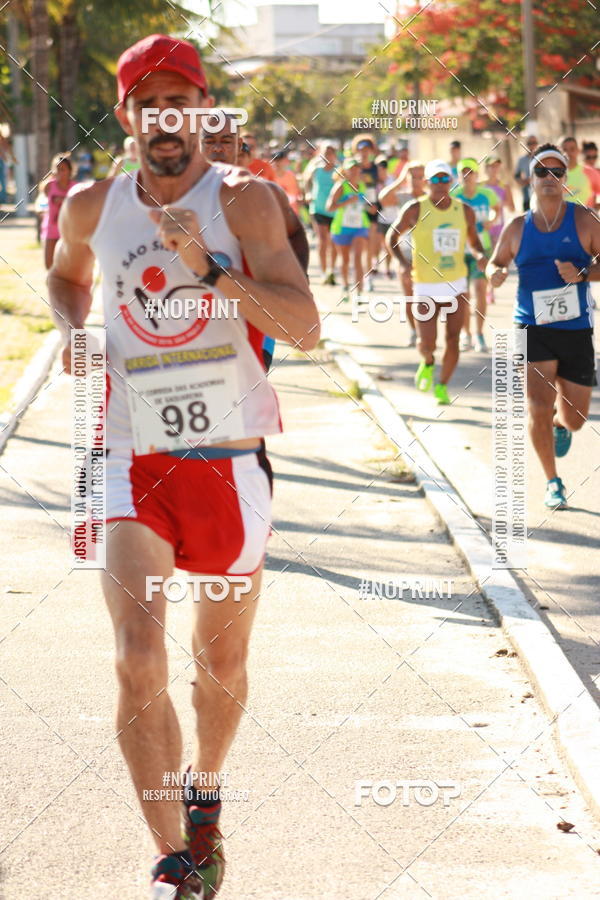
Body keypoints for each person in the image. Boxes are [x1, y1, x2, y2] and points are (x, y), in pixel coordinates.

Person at [48, 34, 320, 899]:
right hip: (133, 454)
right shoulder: (91, 206)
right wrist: (74, 332)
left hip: (230, 459)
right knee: (137, 652)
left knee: (221, 669)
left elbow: (306, 326)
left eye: (181, 100)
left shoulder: (244, 203)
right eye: (147, 102)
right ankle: (173, 856)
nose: (165, 118)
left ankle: (204, 786)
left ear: (201, 110)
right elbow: (65, 276)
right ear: (126, 113)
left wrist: (208, 266)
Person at [488, 143, 598, 509]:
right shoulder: (518, 227)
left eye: (556, 172)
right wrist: (496, 274)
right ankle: (553, 482)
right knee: (537, 404)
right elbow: (494, 262)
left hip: (576, 329)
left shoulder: (584, 220)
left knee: (576, 417)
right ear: (530, 179)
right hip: (531, 326)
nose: (549, 178)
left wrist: (583, 273)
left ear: (566, 179)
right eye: (541, 172)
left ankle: (562, 426)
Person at [200, 115, 310, 368]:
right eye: (210, 141)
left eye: (226, 141)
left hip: (254, 316)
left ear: (239, 146)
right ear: (197, 145)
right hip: (194, 317)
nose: (218, 148)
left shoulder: (265, 194)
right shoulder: (174, 196)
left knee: (249, 389)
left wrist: (299, 280)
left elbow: (295, 233)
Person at [388, 159, 486, 405]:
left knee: (453, 339)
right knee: (426, 342)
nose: (441, 184)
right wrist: (401, 261)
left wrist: (481, 256)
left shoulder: (464, 210)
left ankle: (442, 385)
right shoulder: (415, 208)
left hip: (456, 285)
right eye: (436, 179)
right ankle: (428, 361)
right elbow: (392, 236)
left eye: (445, 179)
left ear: (451, 181)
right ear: (427, 183)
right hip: (425, 286)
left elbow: (474, 242)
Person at [452, 158, 498, 351]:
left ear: (476, 175)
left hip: (481, 247)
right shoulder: (454, 195)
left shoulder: (486, 194)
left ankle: (479, 334)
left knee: (480, 289)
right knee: (463, 294)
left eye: (471, 172)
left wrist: (491, 221)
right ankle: (466, 334)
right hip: (459, 249)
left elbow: (496, 210)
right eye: (464, 173)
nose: (467, 176)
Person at [382, 160, 426, 347]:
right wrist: (400, 179)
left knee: (424, 297)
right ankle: (413, 330)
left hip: (427, 254)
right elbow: (383, 198)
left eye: (419, 176)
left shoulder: (431, 198)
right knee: (408, 294)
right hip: (405, 252)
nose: (416, 180)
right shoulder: (402, 197)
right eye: (412, 176)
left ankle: (425, 331)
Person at [327, 157, 376, 300]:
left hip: (359, 227)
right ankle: (345, 286)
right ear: (345, 171)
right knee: (345, 259)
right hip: (342, 227)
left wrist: (370, 209)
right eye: (351, 168)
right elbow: (329, 208)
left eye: (357, 168)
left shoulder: (363, 186)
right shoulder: (341, 186)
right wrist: (347, 201)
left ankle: (359, 292)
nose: (354, 171)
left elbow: (365, 205)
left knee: (358, 257)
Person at [483, 154, 515, 303]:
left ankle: (490, 290)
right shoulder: (480, 186)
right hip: (483, 227)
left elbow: (512, 206)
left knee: (494, 258)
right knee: (484, 257)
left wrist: (500, 204)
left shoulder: (504, 186)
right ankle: (483, 287)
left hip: (498, 227)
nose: (494, 169)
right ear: (486, 168)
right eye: (491, 166)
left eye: (497, 166)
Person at [305, 143, 338, 284]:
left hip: (334, 210)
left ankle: (331, 270)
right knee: (322, 240)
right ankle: (324, 271)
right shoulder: (315, 169)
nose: (328, 155)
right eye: (326, 152)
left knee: (333, 242)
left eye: (331, 153)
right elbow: (306, 182)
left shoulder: (338, 171)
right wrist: (307, 194)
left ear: (335, 155)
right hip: (317, 208)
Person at [351, 134, 380, 288]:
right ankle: (357, 276)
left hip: (372, 207)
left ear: (372, 151)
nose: (364, 152)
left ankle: (368, 276)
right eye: (361, 149)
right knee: (359, 245)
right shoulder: (353, 166)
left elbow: (380, 186)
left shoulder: (376, 168)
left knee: (371, 243)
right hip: (355, 208)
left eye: (367, 149)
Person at [40, 152, 76, 269]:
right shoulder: (48, 186)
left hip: (69, 231)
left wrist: (64, 199)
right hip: (51, 229)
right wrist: (39, 209)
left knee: (68, 266)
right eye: (56, 169)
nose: (59, 172)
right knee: (49, 265)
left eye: (62, 169)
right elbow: (40, 201)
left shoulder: (76, 187)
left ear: (70, 171)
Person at [560, 135, 594, 207]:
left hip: (585, 217)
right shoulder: (555, 174)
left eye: (572, 149)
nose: (568, 153)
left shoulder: (590, 172)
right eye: (565, 150)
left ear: (578, 150)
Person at [272, 149, 301, 214]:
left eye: (280, 160)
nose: (277, 163)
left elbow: (297, 194)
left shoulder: (291, 176)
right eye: (275, 160)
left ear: (285, 161)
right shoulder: (269, 177)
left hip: (291, 212)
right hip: (276, 213)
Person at [514, 134, 538, 211]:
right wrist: (523, 182)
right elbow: (516, 176)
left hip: (540, 195)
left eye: (534, 143)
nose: (532, 146)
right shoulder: (522, 160)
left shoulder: (542, 159)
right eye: (530, 143)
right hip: (527, 196)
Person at [582, 141, 600, 210]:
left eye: (594, 157)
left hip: (590, 216)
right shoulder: (578, 173)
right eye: (588, 157)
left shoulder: (597, 173)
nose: (592, 160)